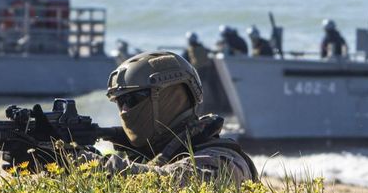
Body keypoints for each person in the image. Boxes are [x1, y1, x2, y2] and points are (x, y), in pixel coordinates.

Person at [99, 51, 257, 184]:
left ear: (172, 98)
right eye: (120, 101)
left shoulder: (223, 160)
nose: (124, 110)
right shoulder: (152, 156)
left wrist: (96, 165)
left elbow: (168, 184)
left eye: (133, 99)